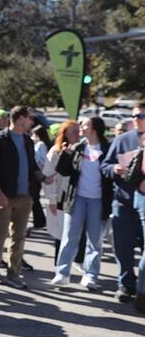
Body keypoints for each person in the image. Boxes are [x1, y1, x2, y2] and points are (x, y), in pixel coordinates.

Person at [49, 117, 112, 290]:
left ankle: (90, 275)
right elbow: (62, 171)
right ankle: (62, 273)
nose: (81, 128)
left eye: (84, 125)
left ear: (94, 129)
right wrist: (65, 155)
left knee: (95, 240)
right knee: (70, 237)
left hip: (99, 200)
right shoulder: (77, 147)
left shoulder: (108, 148)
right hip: (77, 199)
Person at [0, 106, 37, 288]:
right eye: (29, 118)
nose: (31, 122)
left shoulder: (28, 141)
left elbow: (32, 165)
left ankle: (14, 272)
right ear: (20, 119)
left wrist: (44, 178)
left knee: (19, 236)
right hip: (3, 196)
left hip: (24, 196)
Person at [100, 100, 145, 310]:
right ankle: (126, 284)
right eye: (135, 116)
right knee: (123, 246)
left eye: (141, 116)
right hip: (123, 201)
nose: (136, 120)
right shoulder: (122, 140)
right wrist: (114, 169)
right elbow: (104, 166)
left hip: (143, 202)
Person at [42, 120, 80, 263]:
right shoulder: (55, 152)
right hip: (60, 197)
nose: (78, 134)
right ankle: (60, 262)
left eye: (78, 131)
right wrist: (52, 199)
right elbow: (48, 177)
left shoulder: (80, 149)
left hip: (77, 195)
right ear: (65, 134)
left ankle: (74, 260)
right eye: (74, 132)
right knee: (61, 232)